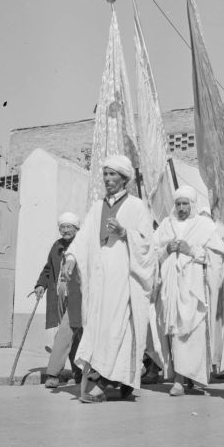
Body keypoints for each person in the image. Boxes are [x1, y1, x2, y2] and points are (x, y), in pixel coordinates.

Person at [62, 155, 157, 403]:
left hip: (124, 278)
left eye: (113, 174)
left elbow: (149, 243)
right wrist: (71, 258)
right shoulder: (97, 207)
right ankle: (117, 380)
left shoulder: (136, 206)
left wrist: (125, 233)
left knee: (119, 328)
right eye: (105, 174)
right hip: (99, 280)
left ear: (124, 178)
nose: (108, 179)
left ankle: (103, 383)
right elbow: (82, 238)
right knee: (99, 328)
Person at [152, 186, 224, 396]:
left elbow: (218, 256)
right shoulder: (166, 225)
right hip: (172, 288)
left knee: (195, 332)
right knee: (177, 331)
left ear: (193, 205)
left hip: (194, 288)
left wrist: (191, 250)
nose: (181, 208)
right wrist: (166, 250)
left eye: (185, 204)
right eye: (178, 204)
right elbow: (151, 252)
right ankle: (178, 379)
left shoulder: (204, 225)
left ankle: (197, 378)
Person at [34, 212, 83, 388]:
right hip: (60, 295)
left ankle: (53, 373)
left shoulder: (82, 244)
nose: (65, 230)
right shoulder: (57, 246)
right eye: (62, 227)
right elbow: (48, 269)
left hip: (79, 296)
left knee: (66, 331)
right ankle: (79, 373)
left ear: (77, 228)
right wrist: (41, 285)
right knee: (73, 335)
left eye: (69, 226)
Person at [199, 207, 224, 378]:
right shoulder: (198, 228)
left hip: (221, 277)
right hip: (204, 277)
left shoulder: (221, 229)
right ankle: (208, 364)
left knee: (223, 320)